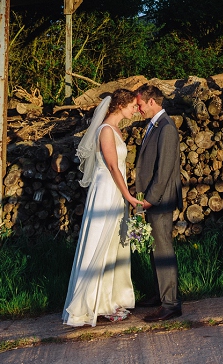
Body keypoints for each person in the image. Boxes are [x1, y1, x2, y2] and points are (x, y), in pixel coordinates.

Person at [63, 89, 141, 327]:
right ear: (120, 105)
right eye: (132, 106)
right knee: (100, 242)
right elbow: (112, 166)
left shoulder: (116, 129)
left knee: (113, 245)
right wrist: (128, 195)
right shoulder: (106, 130)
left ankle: (110, 300)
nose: (135, 110)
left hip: (114, 190)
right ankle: (90, 303)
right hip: (107, 191)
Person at [134, 83, 184, 322]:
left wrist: (149, 200)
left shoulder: (166, 128)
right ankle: (159, 294)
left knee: (163, 249)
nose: (139, 109)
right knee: (155, 248)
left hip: (161, 200)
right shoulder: (154, 126)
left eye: (141, 104)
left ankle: (171, 303)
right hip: (154, 199)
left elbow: (163, 172)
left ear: (152, 101)